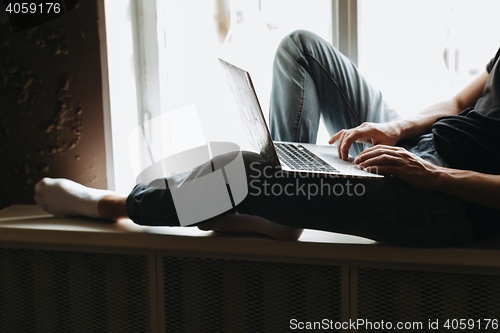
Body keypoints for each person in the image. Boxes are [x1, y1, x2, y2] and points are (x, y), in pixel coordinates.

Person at [35, 30, 500, 246]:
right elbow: (459, 103)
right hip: (428, 149)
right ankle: (285, 201)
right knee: (301, 48)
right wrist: (397, 129)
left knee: (242, 174)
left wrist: (438, 179)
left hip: (448, 200)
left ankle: (119, 206)